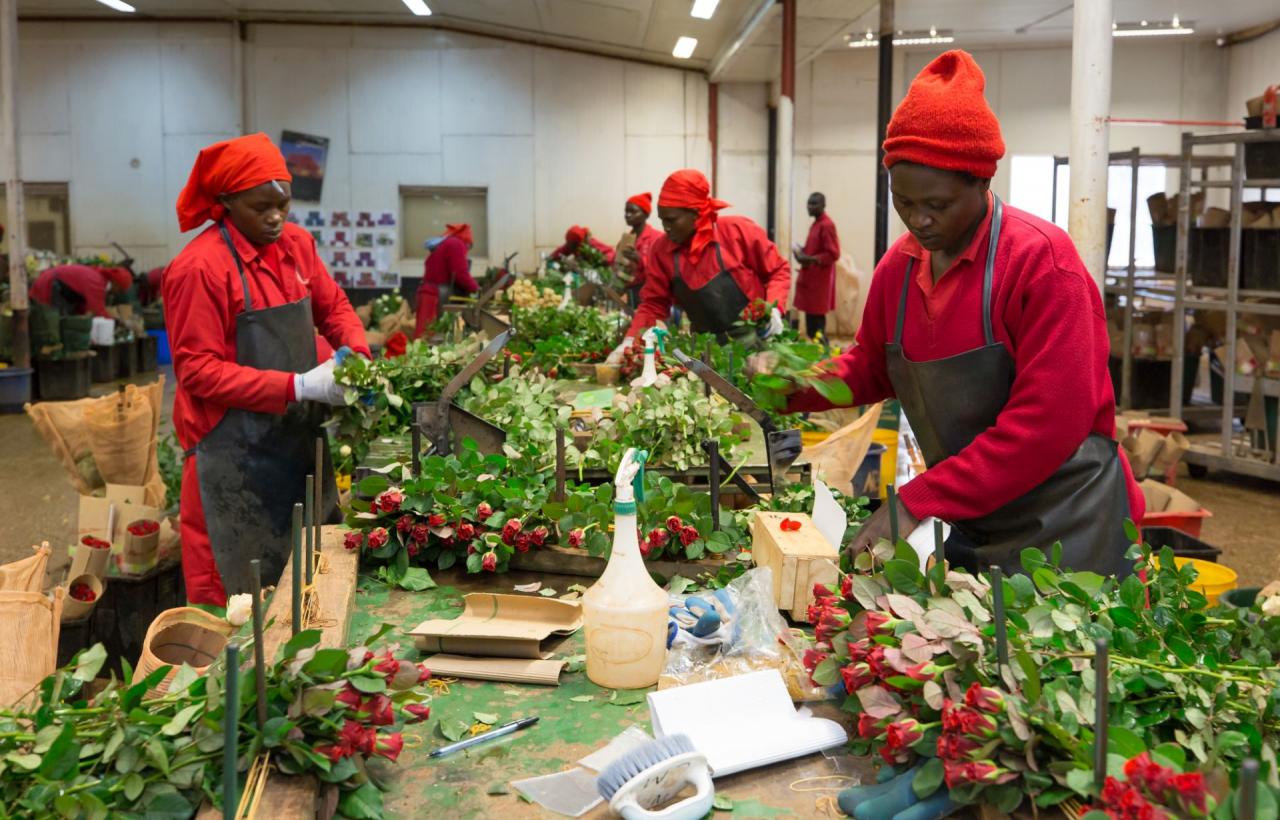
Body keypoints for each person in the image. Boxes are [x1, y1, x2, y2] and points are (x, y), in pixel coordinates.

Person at [760, 51, 1143, 580]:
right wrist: (789, 385)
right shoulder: (899, 267)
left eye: (937, 205)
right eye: (903, 200)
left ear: (981, 184)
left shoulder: (1040, 264)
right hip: (979, 516)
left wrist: (920, 499)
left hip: (1071, 529)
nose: (919, 220)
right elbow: (872, 366)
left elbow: (1046, 426)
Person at [163, 133, 370, 609]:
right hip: (229, 463)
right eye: (262, 207)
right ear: (227, 203)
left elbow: (334, 307)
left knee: (310, 586)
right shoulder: (200, 269)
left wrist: (355, 353)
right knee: (236, 607)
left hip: (295, 445)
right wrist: (297, 385)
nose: (277, 217)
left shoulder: (296, 246)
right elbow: (197, 371)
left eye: (284, 204)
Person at [610, 169, 790, 355]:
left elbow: (778, 270)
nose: (666, 227)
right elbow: (653, 304)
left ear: (696, 213)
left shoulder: (737, 232)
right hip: (707, 352)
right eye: (662, 220)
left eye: (672, 220)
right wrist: (630, 340)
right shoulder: (661, 250)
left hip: (758, 342)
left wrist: (774, 310)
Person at [414, 222, 479, 338]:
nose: (467, 250)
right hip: (434, 297)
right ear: (466, 240)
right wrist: (476, 288)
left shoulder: (447, 242)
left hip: (429, 292)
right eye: (469, 246)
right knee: (427, 336)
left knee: (424, 335)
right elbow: (461, 274)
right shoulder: (456, 244)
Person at [792, 192, 840, 340]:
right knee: (811, 326)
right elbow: (814, 249)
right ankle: (818, 356)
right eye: (809, 203)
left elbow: (833, 254)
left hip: (819, 282)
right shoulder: (816, 224)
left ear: (823, 206)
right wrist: (802, 252)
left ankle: (824, 357)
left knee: (817, 327)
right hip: (810, 280)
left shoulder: (826, 225)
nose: (810, 207)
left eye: (814, 204)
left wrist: (811, 259)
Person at [29, 264, 133, 317]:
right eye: (120, 290)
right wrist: (114, 323)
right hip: (50, 284)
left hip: (58, 286)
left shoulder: (99, 279)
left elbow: (84, 306)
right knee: (52, 321)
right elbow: (96, 310)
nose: (117, 293)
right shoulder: (97, 283)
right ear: (116, 284)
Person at [616, 192, 663, 308]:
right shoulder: (625, 240)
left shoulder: (657, 238)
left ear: (646, 214)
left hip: (653, 296)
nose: (627, 215)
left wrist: (639, 260)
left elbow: (662, 272)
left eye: (633, 211)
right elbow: (619, 268)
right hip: (632, 294)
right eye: (626, 211)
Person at [549, 225, 616, 266]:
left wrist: (605, 259)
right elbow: (555, 255)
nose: (571, 248)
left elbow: (611, 252)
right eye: (569, 244)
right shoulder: (570, 245)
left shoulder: (591, 243)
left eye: (573, 245)